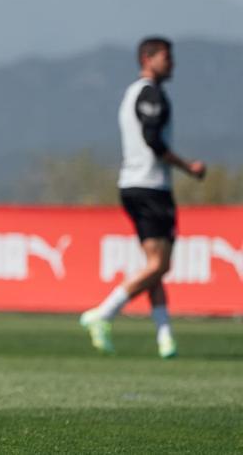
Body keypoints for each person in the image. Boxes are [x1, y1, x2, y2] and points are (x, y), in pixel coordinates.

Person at [80, 37, 205, 358]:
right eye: (167, 57)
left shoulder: (131, 93)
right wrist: (188, 167)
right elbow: (152, 139)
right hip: (150, 187)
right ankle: (104, 313)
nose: (172, 63)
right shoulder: (151, 93)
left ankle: (165, 337)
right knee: (160, 265)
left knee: (154, 266)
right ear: (147, 59)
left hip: (132, 185)